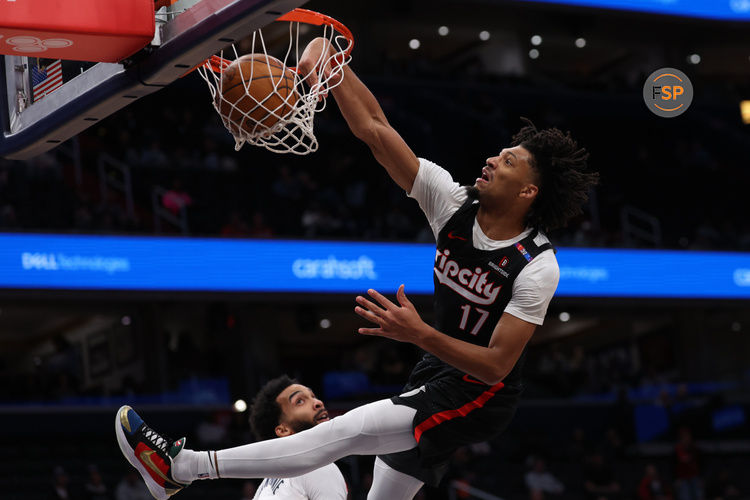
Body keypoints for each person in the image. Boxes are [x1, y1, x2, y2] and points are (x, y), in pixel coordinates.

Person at [114, 35, 598, 500]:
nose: (492, 159)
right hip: (438, 367)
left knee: (346, 432)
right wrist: (332, 66)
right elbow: (375, 129)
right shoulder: (452, 203)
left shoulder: (537, 264)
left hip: (479, 395)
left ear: (528, 192)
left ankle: (183, 467)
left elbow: (495, 367)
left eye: (508, 161)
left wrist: (420, 334)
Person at [248, 375, 347, 499]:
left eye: (313, 396)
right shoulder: (317, 467)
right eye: (300, 401)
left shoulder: (265, 485)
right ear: (283, 430)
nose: (318, 403)